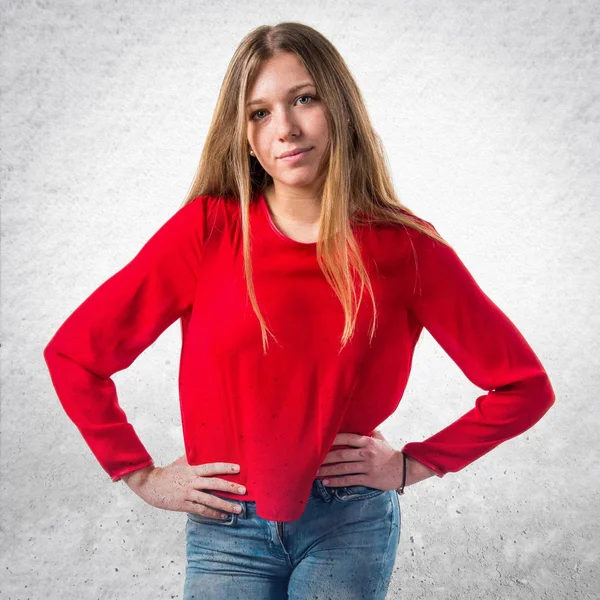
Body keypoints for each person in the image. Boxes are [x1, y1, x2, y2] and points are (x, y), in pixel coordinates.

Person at [43, 21, 555, 600]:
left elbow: (524, 386)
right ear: (242, 133)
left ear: (338, 106)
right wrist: (139, 474)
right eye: (259, 112)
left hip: (349, 522)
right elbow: (74, 355)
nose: (284, 128)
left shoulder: (406, 247)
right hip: (226, 526)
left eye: (303, 99)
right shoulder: (208, 231)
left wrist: (414, 465)